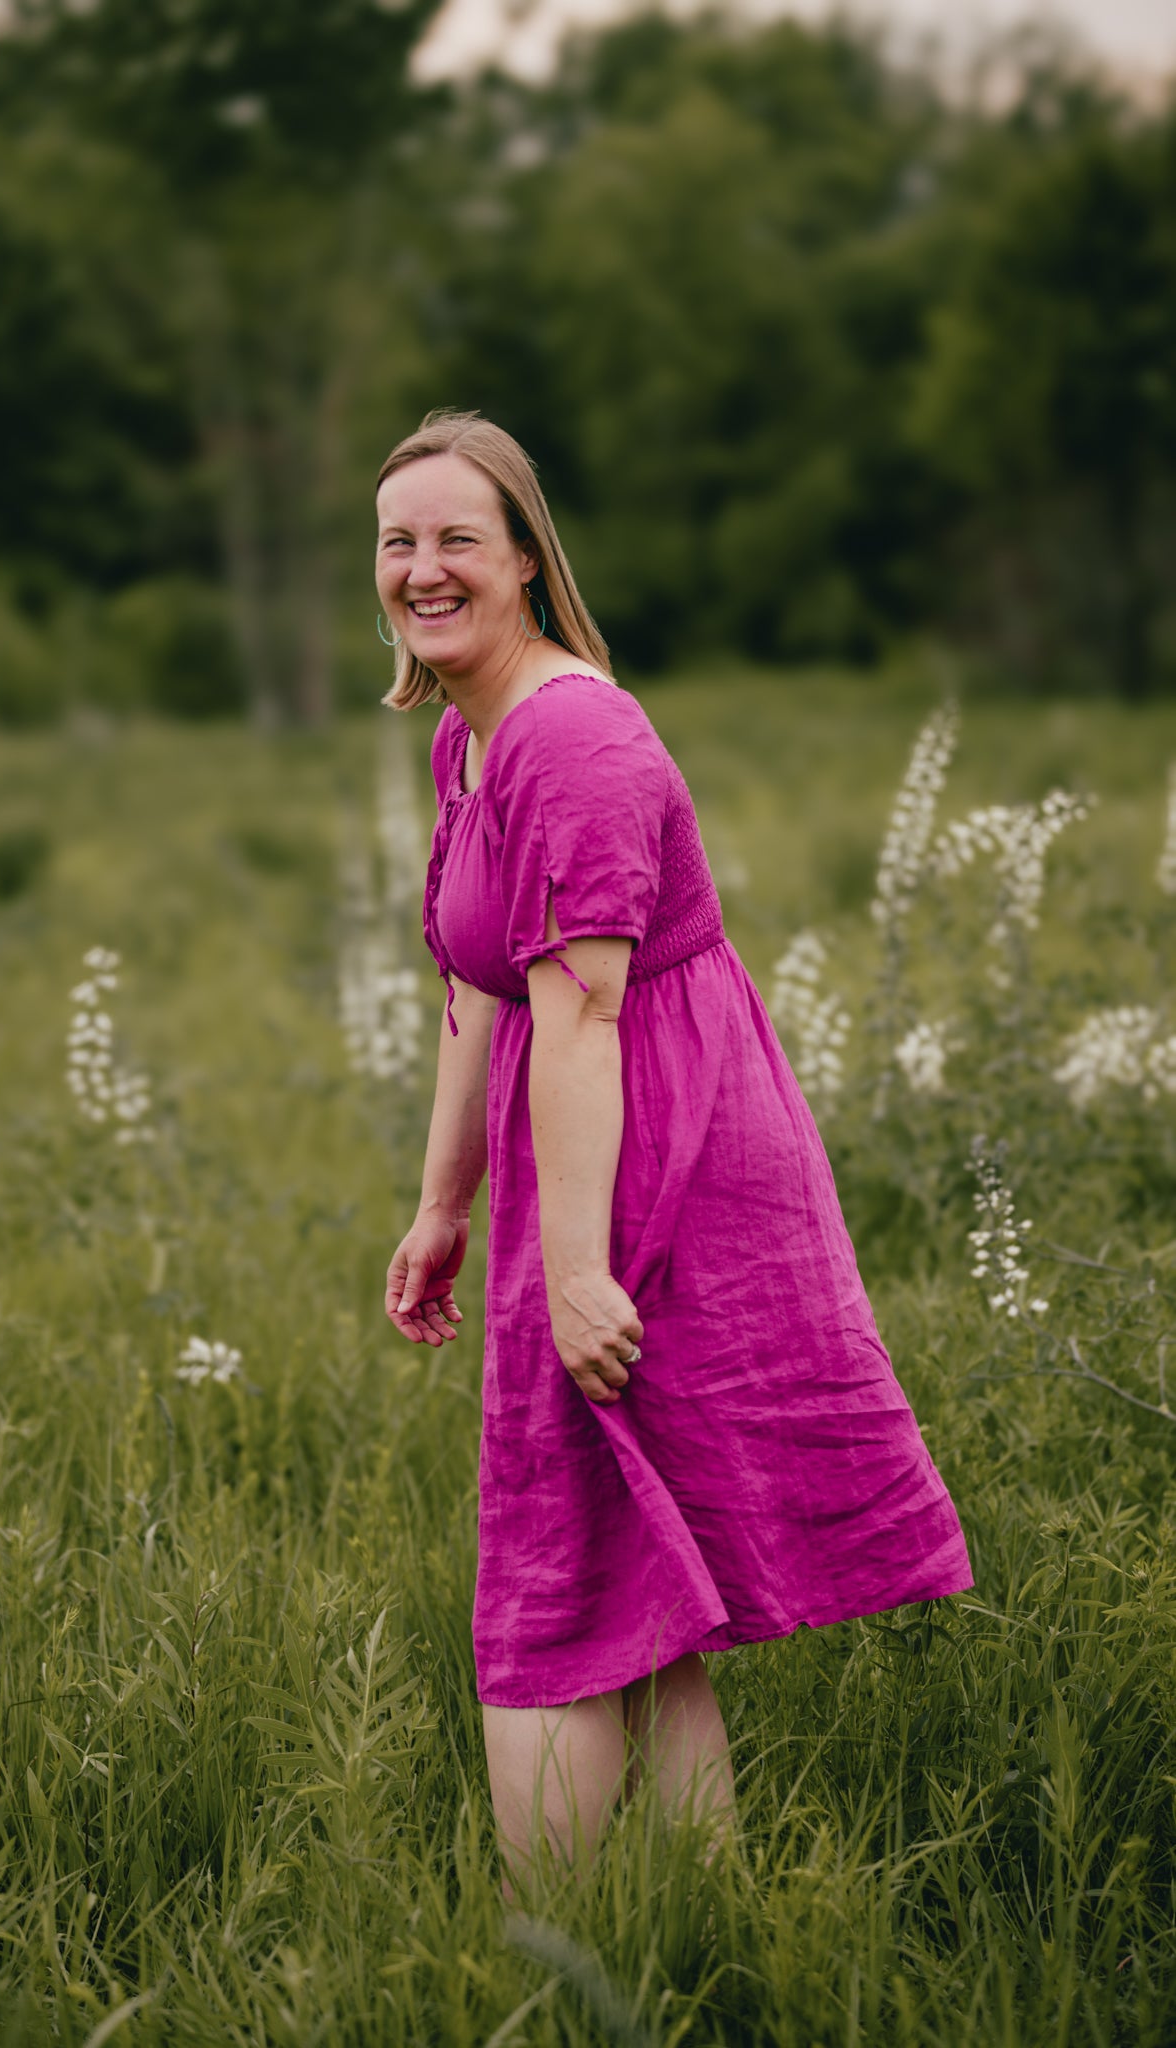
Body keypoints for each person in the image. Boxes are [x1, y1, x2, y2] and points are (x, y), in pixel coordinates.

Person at [378, 408, 972, 1882]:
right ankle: (698, 1928)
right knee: (620, 1549)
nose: (422, 568)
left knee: (557, 1555)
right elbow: (477, 982)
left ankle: (561, 1949)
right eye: (397, 541)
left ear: (524, 557)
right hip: (580, 1136)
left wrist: (575, 1272)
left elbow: (580, 1020)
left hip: (658, 1148)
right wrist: (439, 1203)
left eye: (458, 537)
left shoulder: (572, 736)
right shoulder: (472, 732)